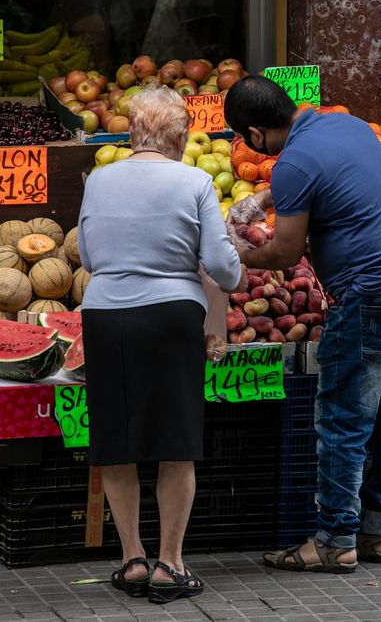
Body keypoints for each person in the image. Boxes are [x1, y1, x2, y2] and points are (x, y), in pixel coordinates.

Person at [224, 76, 381, 573]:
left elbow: (286, 250)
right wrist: (265, 199)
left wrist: (234, 252)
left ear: (255, 134)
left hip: (371, 297)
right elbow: (326, 176)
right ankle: (380, 533)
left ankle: (335, 540)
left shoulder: (293, 162)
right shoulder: (349, 126)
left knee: (344, 420)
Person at [77, 84, 245, 603]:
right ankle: (169, 565)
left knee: (117, 440)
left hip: (104, 316)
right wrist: (232, 276)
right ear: (180, 134)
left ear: (131, 133)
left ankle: (131, 560)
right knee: (175, 443)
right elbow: (221, 266)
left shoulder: (99, 180)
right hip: (171, 316)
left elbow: (86, 255)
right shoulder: (194, 180)